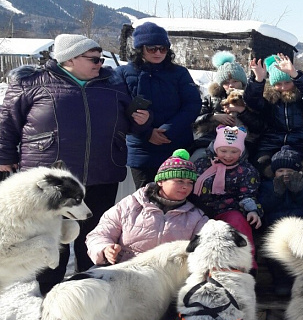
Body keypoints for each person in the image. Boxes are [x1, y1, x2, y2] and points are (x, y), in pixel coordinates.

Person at [0, 33, 152, 295]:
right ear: (69, 58)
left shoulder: (112, 84)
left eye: (101, 58)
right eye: (93, 58)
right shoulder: (31, 83)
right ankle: (51, 292)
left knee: (92, 232)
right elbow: (7, 122)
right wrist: (3, 156)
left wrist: (143, 121)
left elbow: (129, 123)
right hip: (52, 182)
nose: (99, 63)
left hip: (102, 170)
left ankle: (87, 283)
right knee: (50, 236)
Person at [115, 21, 202, 188]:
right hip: (142, 149)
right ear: (140, 49)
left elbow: (192, 104)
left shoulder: (179, 73)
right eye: (152, 49)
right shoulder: (123, 73)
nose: (158, 53)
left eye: (162, 48)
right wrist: (147, 133)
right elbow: (118, 110)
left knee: (179, 197)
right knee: (147, 200)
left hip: (176, 144)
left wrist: (169, 130)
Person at [86, 149, 208, 265]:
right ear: (160, 181)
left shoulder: (196, 216)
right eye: (180, 181)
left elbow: (206, 248)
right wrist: (105, 249)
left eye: (190, 182)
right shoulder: (130, 204)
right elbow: (99, 234)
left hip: (169, 281)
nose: (185, 187)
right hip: (124, 273)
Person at [191, 125, 262, 271]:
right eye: (223, 151)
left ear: (241, 152)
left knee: (239, 223)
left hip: (229, 208)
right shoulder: (201, 164)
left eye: (234, 151)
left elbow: (247, 194)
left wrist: (252, 210)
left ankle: (247, 265)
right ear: (215, 149)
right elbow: (189, 185)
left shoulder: (246, 171)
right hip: (201, 207)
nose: (228, 156)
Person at [244, 53, 303, 173]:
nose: (283, 87)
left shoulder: (300, 97)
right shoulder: (269, 99)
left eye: (287, 82)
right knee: (261, 165)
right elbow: (251, 101)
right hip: (271, 142)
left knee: (296, 166)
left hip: (299, 142)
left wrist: (294, 74)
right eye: (278, 84)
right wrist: (258, 79)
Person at [258, 145, 303, 295]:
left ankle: (300, 281)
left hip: (299, 224)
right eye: (281, 171)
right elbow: (264, 207)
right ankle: (280, 281)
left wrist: (298, 193)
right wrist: (277, 194)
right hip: (275, 225)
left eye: (290, 171)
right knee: (274, 250)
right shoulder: (267, 185)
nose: (285, 174)